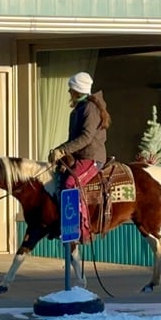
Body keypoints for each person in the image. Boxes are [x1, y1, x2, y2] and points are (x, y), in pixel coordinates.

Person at [48, 71, 112, 242]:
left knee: (71, 183)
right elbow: (74, 140)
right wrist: (62, 152)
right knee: (59, 179)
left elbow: (86, 137)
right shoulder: (80, 109)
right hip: (80, 157)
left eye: (71, 89)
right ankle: (60, 223)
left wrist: (62, 150)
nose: (69, 92)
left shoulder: (90, 109)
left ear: (77, 90)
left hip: (92, 158)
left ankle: (82, 230)